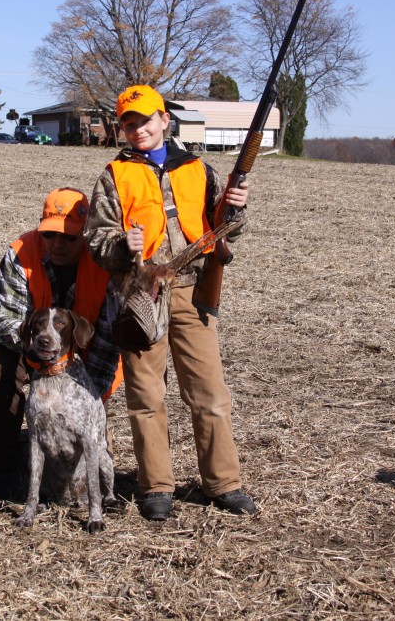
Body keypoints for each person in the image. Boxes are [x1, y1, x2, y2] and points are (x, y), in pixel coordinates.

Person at [84, 84, 257, 521]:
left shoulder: (199, 168)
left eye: (145, 119)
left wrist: (235, 209)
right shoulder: (113, 175)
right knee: (145, 394)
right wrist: (123, 246)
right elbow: (96, 238)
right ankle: (155, 487)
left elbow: (222, 227)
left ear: (165, 120)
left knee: (209, 392)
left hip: (193, 290)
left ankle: (223, 483)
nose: (137, 128)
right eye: (128, 123)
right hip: (141, 293)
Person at [0, 188, 121, 498]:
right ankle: (3, 467)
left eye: (69, 237)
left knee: (89, 438)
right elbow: (2, 319)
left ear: (86, 235)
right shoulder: (21, 252)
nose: (58, 244)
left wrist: (91, 394)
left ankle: (93, 485)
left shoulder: (103, 263)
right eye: (50, 234)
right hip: (24, 349)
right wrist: (38, 350)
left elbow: (109, 338)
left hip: (83, 359)